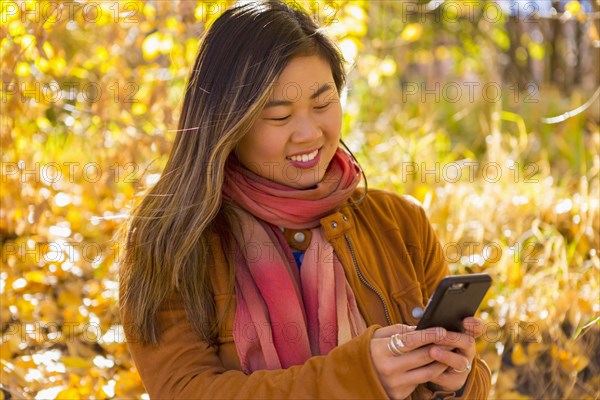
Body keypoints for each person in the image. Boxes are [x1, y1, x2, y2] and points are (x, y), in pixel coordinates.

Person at [118, 1, 492, 398]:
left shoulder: (401, 223)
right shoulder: (171, 240)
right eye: (279, 116)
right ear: (228, 123)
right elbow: (186, 391)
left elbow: (473, 381)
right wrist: (359, 377)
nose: (309, 133)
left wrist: (457, 378)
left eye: (323, 103)